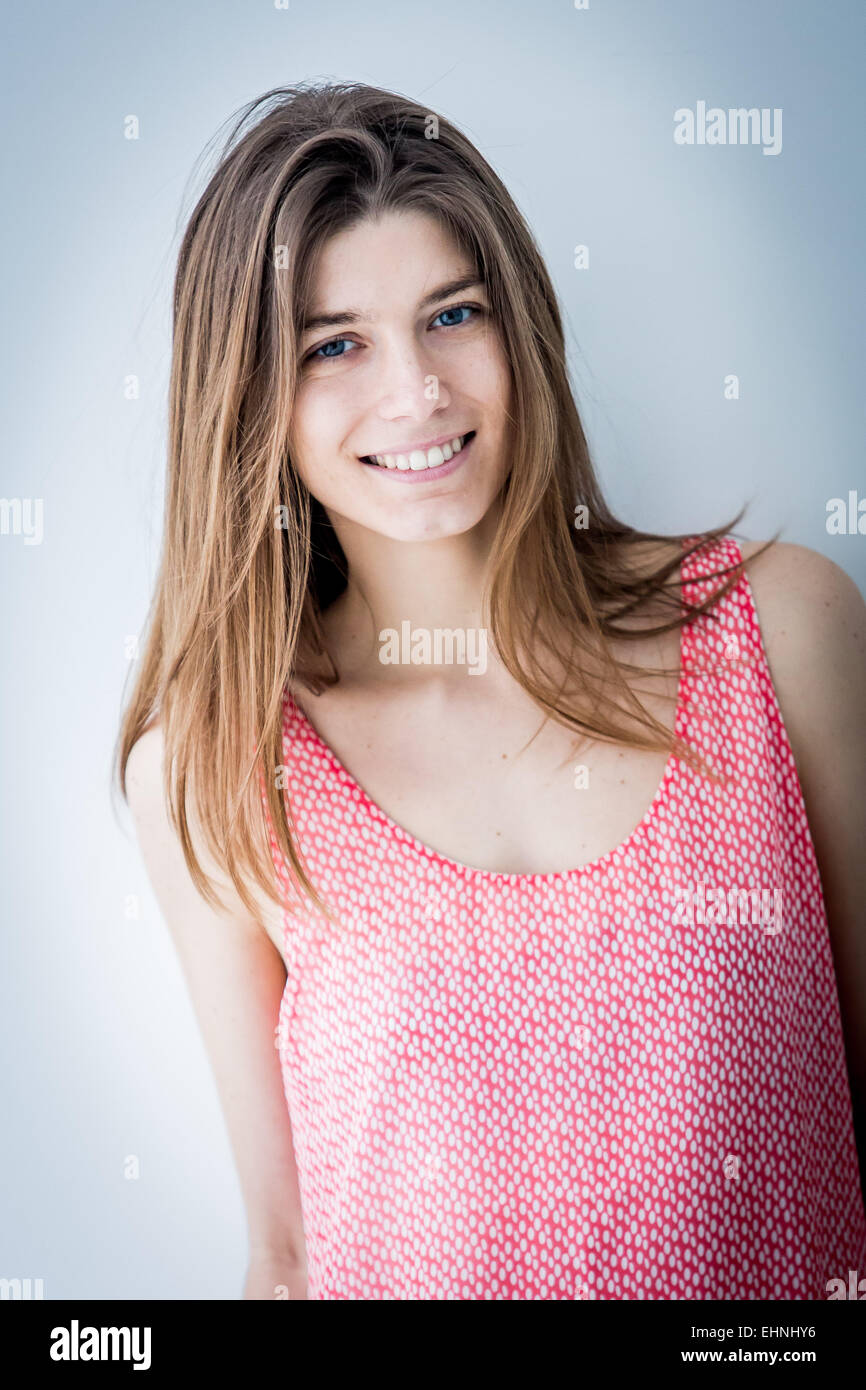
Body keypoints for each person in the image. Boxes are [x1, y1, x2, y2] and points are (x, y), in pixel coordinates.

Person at [116, 82, 866, 1300]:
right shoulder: (216, 768)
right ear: (251, 398)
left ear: (519, 327)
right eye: (334, 343)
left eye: (450, 314)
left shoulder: (783, 632)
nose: (414, 391)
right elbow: (292, 1259)